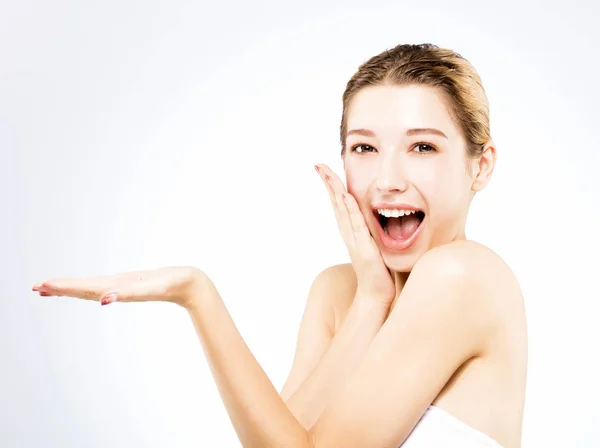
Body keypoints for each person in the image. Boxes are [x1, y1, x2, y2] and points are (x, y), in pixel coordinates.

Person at [32, 43, 527, 447]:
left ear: (479, 166)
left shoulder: (463, 276)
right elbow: (279, 439)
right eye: (365, 148)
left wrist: (196, 294)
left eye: (423, 147)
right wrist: (370, 301)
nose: (388, 179)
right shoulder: (339, 293)